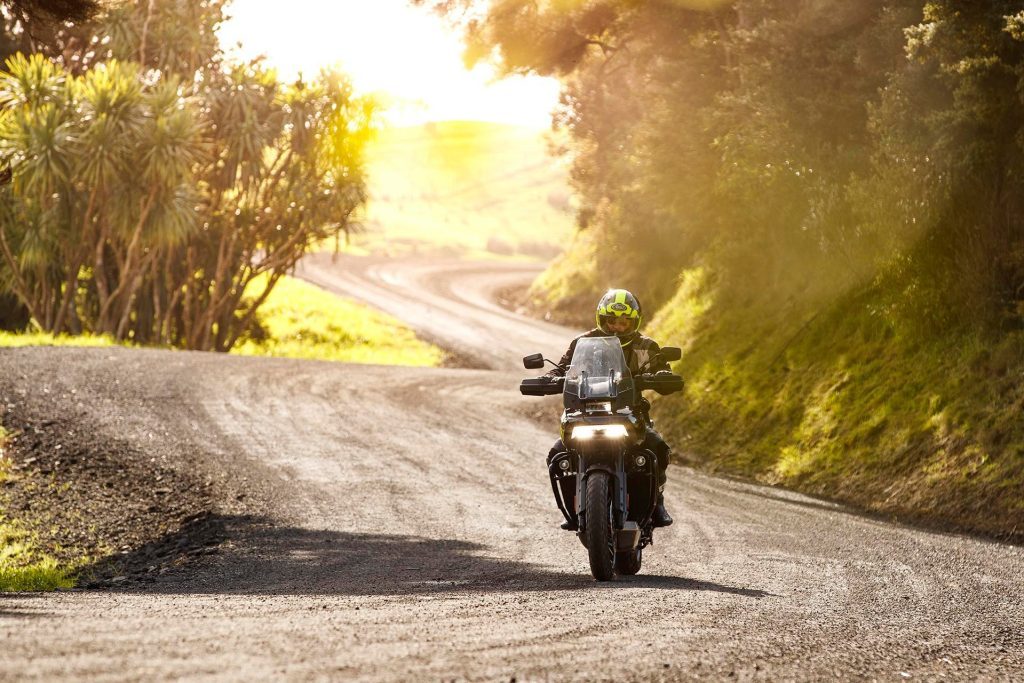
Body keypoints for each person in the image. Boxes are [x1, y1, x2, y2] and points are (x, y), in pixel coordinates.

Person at [544, 288, 674, 530]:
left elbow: (660, 368)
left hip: (630, 414)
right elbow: (563, 368)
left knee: (657, 448)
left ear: (634, 321)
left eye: (624, 322)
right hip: (584, 412)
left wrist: (663, 375)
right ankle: (573, 506)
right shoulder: (583, 343)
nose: (617, 327)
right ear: (601, 320)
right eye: (611, 321)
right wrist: (549, 378)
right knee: (557, 454)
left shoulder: (645, 345)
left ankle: (657, 503)